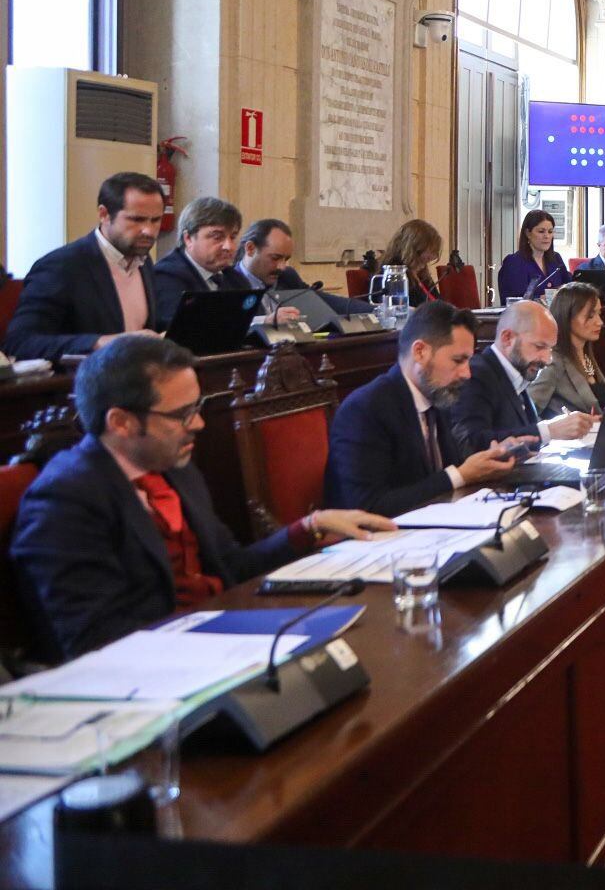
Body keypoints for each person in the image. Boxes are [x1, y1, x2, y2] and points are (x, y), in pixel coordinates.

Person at [12, 335, 393, 661]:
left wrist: (309, 527)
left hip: (224, 638)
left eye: (198, 407)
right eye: (181, 414)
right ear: (121, 422)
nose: (199, 424)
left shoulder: (176, 469)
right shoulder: (64, 501)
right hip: (160, 676)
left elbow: (231, 566)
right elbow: (95, 642)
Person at [324, 302, 532, 516]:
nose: (467, 373)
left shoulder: (438, 399)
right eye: (458, 360)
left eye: (468, 360)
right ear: (420, 352)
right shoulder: (365, 410)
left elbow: (453, 468)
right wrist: (460, 475)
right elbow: (367, 506)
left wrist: (491, 458)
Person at [4, 171, 163, 359]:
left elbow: (139, 329)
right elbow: (20, 342)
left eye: (156, 220)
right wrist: (100, 342)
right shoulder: (61, 266)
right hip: (79, 382)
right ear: (104, 214)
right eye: (137, 219)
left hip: (135, 379)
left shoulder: (143, 262)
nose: (149, 230)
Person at [450, 300, 598, 457]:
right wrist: (549, 430)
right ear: (507, 338)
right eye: (540, 347)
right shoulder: (477, 375)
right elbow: (471, 441)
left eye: (550, 349)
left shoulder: (518, 372)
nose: (547, 360)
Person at [235, 218, 375, 317]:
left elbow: (326, 303)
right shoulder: (228, 282)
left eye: (286, 259)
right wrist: (265, 322)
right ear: (250, 248)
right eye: (275, 258)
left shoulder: (286, 276)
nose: (282, 267)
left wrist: (378, 312)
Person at [151, 196, 251, 331]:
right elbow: (181, 332)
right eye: (217, 237)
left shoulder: (235, 279)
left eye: (232, 237)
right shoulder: (166, 276)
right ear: (188, 238)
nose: (229, 246)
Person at [529, 282, 605, 414]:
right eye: (590, 316)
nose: (600, 322)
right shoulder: (553, 361)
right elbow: (527, 415)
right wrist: (558, 428)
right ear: (567, 317)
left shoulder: (586, 355)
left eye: (599, 314)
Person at [498, 209, 573, 301]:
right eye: (541, 231)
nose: (547, 236)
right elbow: (512, 300)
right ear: (528, 233)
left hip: (556, 314)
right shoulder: (513, 262)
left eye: (550, 231)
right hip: (527, 314)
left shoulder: (556, 259)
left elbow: (570, 287)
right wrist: (539, 299)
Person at [380, 219, 445, 306]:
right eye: (430, 251)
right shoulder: (393, 274)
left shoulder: (422, 274)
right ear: (413, 247)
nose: (434, 257)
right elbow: (398, 308)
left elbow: (438, 303)